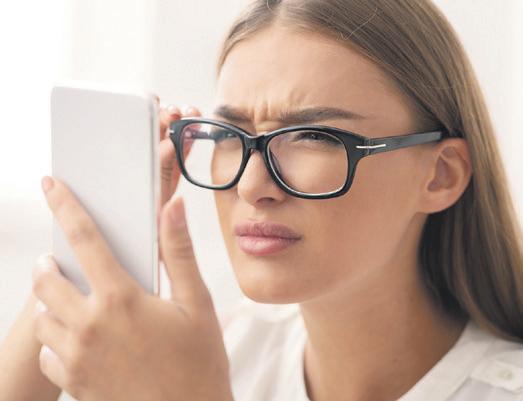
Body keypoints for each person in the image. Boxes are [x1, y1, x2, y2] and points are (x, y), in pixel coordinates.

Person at [1, 0, 522, 400]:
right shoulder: (224, 349)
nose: (251, 186)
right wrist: (95, 241)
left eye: (314, 136)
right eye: (230, 134)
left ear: (440, 175)